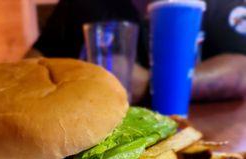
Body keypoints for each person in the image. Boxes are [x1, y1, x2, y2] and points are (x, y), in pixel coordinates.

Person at [26, 0, 246, 104]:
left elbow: (241, 69)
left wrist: (151, 82)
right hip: (96, 129)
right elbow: (32, 61)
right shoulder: (80, 6)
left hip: (202, 133)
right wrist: (81, 78)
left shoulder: (218, 5)